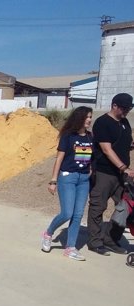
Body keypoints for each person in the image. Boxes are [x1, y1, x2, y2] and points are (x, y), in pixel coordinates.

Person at [41, 107, 93, 261]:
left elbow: (92, 157)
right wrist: (53, 180)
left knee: (77, 215)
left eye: (90, 117)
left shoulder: (90, 137)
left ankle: (70, 247)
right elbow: (59, 159)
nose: (89, 119)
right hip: (67, 178)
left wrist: (89, 170)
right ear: (79, 118)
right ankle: (48, 233)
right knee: (67, 213)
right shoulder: (68, 136)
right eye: (87, 117)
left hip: (83, 179)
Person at [86, 93, 134, 256]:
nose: (127, 111)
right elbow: (106, 149)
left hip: (122, 175)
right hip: (104, 172)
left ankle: (111, 239)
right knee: (98, 207)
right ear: (114, 106)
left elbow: (126, 143)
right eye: (124, 108)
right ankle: (95, 242)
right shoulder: (102, 123)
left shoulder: (125, 122)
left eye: (129, 108)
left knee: (125, 208)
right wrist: (123, 167)